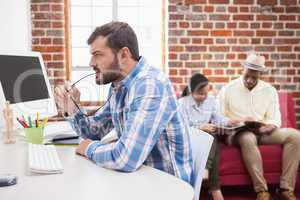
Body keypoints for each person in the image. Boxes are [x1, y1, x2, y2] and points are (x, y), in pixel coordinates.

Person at [54, 21, 193, 184]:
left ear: (123, 55)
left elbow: (126, 158)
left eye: (97, 54)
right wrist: (72, 109)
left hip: (167, 187)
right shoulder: (119, 86)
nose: (91, 63)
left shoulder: (150, 84)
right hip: (139, 178)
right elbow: (94, 133)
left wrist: (88, 148)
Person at [218, 53, 300, 200]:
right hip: (237, 133)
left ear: (260, 74)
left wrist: (270, 126)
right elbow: (218, 117)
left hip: (262, 132)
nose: (249, 80)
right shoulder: (228, 89)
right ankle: (262, 191)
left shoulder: (269, 90)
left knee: (295, 135)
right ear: (243, 70)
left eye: (254, 77)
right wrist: (239, 120)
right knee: (248, 137)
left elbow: (275, 117)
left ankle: (285, 188)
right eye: (247, 76)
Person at [178, 73, 240, 200]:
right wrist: (200, 128)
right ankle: (215, 189)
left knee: (212, 136)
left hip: (208, 138)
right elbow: (181, 129)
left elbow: (218, 119)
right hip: (191, 138)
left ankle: (209, 176)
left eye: (206, 93)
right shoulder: (182, 104)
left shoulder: (210, 100)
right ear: (191, 92)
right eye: (201, 94)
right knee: (210, 135)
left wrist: (230, 122)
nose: (205, 97)